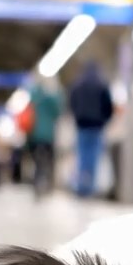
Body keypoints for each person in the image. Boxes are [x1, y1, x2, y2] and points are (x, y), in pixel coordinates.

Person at [68, 60, 114, 198]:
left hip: (82, 126)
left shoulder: (78, 85)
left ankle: (81, 187)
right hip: (97, 127)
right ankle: (90, 188)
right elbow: (109, 106)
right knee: (93, 158)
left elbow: (71, 102)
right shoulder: (102, 84)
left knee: (82, 157)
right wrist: (104, 120)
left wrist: (77, 117)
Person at [27, 73, 64, 196]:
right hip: (48, 134)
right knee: (47, 160)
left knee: (37, 160)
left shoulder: (33, 94)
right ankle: (46, 183)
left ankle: (37, 182)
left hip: (34, 134)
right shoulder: (51, 97)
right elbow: (58, 112)